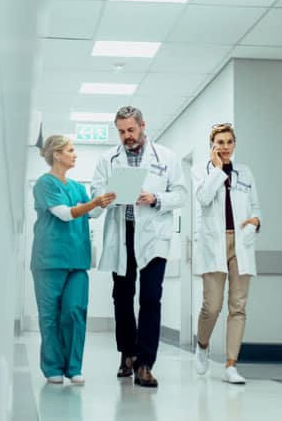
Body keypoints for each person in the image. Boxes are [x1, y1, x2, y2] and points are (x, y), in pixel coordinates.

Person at [91, 106, 187, 387]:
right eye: (121, 132)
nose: (126, 136)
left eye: (131, 130)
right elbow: (95, 194)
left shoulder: (166, 157)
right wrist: (105, 196)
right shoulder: (107, 159)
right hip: (123, 233)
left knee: (150, 298)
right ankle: (127, 354)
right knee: (121, 298)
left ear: (143, 125)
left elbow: (180, 194)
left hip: (154, 236)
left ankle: (145, 363)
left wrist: (154, 197)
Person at [31, 135, 116, 385]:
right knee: (50, 316)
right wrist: (94, 203)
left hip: (77, 261)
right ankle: (53, 368)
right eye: (70, 150)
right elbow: (65, 214)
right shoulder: (44, 184)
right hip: (49, 260)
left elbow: (94, 212)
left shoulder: (78, 187)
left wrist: (110, 198)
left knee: (75, 312)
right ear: (57, 154)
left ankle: (74, 367)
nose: (74, 154)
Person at [193, 123, 262, 384]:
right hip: (214, 243)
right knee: (212, 306)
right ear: (212, 145)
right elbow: (203, 198)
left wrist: (256, 220)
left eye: (229, 142)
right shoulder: (201, 170)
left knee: (238, 306)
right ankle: (202, 344)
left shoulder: (245, 172)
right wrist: (218, 170)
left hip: (241, 242)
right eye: (219, 142)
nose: (224, 147)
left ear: (234, 144)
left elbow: (255, 205)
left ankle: (231, 364)